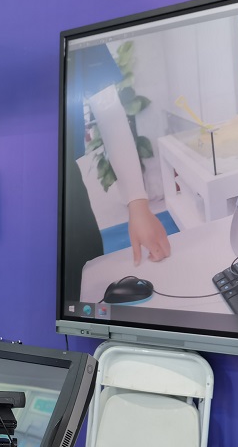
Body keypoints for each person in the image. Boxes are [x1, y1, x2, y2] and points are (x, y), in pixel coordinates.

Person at [62, 42, 172, 301]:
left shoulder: (74, 32)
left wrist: (138, 204)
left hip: (66, 191)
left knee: (85, 288)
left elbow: (107, 106)